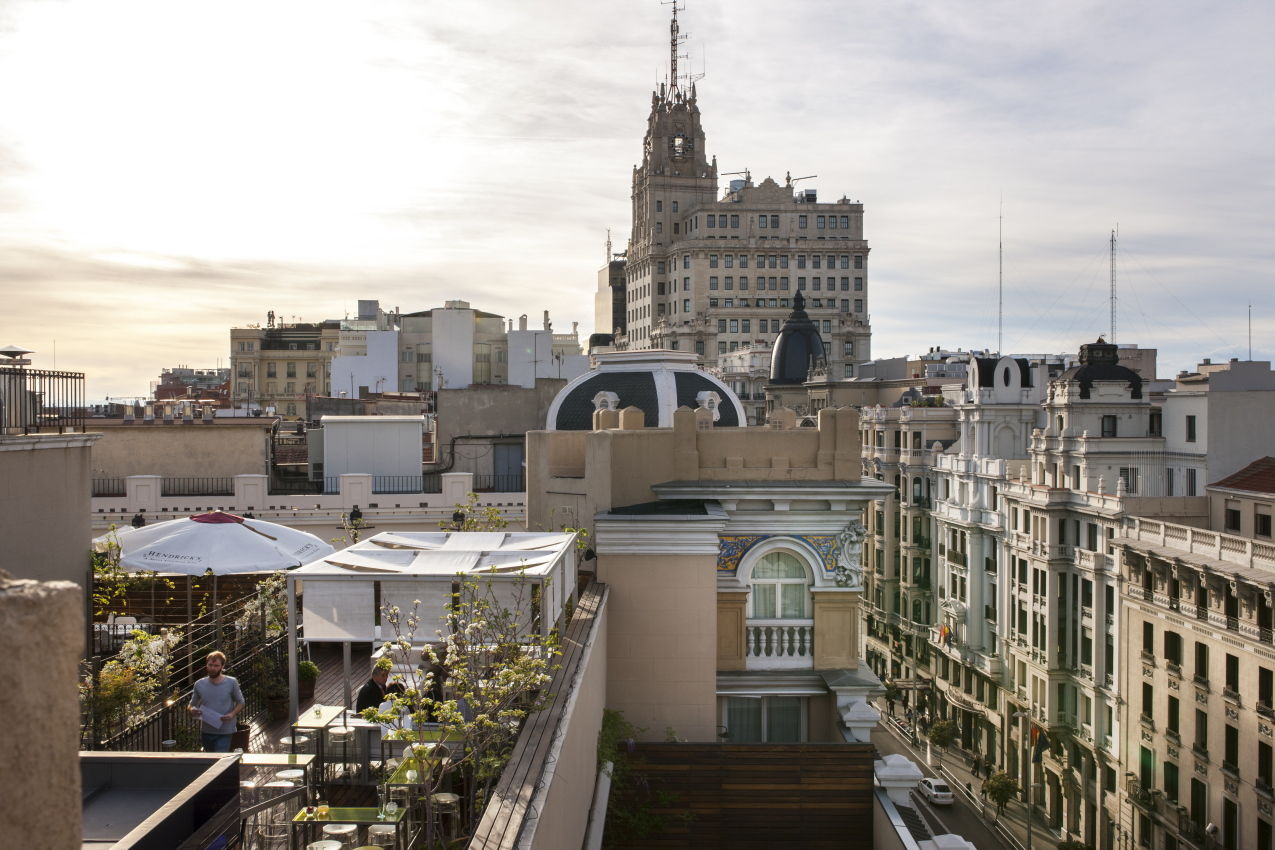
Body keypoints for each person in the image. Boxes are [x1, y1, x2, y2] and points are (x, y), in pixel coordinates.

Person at [189, 651, 245, 752]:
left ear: (222, 666)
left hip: (226, 730)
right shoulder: (199, 684)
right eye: (210, 665)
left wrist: (232, 714)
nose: (213, 668)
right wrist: (193, 710)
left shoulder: (232, 682)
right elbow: (191, 705)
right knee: (210, 759)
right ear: (206, 665)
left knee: (219, 758)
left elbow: (241, 702)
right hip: (207, 730)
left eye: (216, 665)